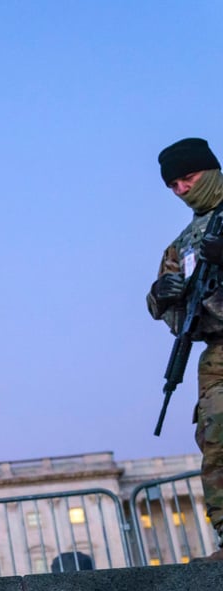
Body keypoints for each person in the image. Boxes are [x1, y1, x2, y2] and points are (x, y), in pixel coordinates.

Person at [148, 137, 223, 562]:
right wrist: (163, 293)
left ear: (210, 170)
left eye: (188, 178)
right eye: (173, 185)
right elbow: (157, 302)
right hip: (216, 348)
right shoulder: (183, 242)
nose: (182, 190)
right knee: (217, 439)